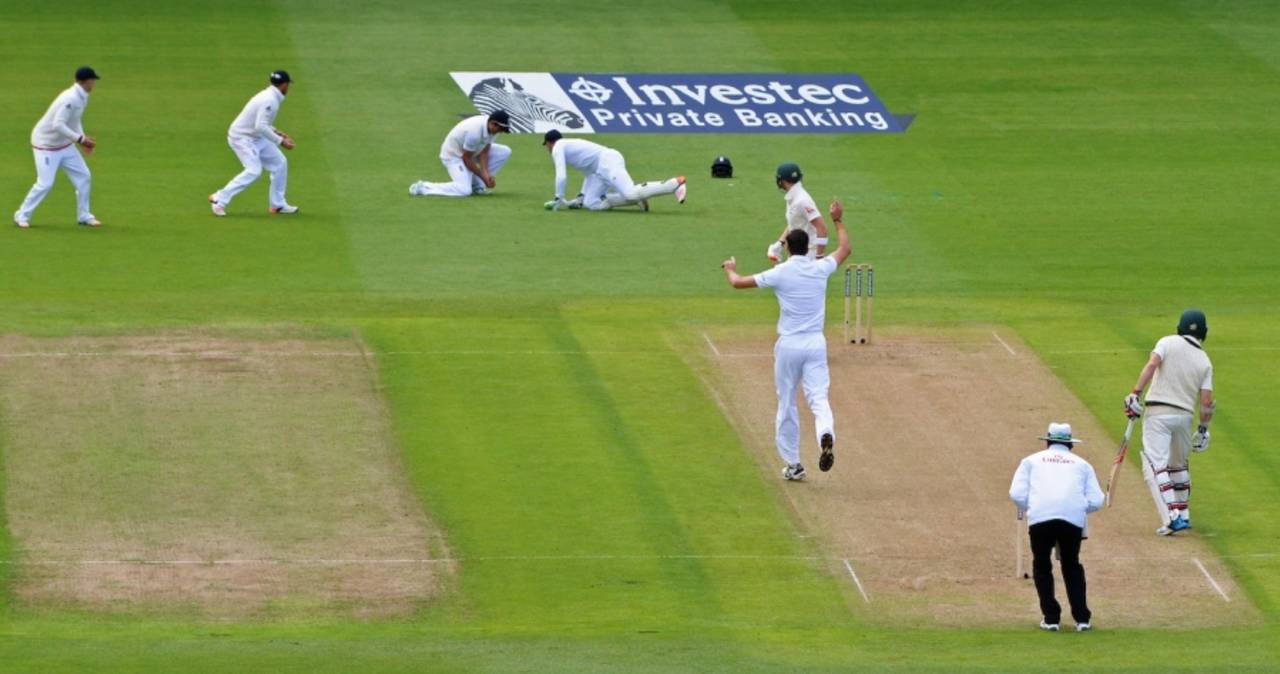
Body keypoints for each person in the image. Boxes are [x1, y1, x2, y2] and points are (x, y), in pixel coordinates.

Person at [721, 200, 851, 480]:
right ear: (807, 247)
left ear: (789, 248)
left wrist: (729, 268)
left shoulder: (780, 272)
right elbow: (845, 249)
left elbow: (737, 282)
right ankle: (825, 433)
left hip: (789, 345)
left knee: (787, 401)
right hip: (815, 344)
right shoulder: (820, 267)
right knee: (819, 398)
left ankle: (793, 465)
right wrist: (837, 220)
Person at [1124, 309, 1215, 536]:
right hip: (1184, 416)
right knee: (1178, 465)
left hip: (1158, 412)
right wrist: (1203, 429)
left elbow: (1152, 365)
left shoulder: (1167, 342)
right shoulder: (1205, 361)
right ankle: (1183, 513)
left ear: (1180, 327)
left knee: (1155, 465)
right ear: (1204, 332)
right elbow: (1206, 402)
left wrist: (1135, 393)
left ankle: (1172, 517)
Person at [1009, 422, 1104, 632]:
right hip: (1072, 520)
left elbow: (1016, 494)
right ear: (1071, 444)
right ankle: (1082, 619)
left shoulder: (1030, 461)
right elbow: (1097, 500)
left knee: (1042, 565)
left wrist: (1032, 507)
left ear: (1048, 441)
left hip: (1040, 517)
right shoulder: (1083, 464)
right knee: (1071, 565)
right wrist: (1078, 508)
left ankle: (1051, 618)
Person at [14, 66, 102, 229]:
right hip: (46, 145)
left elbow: (75, 120)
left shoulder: (82, 96)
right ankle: (21, 215)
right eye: (92, 80)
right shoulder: (70, 98)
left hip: (64, 144)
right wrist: (80, 139)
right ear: (85, 81)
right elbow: (58, 124)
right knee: (45, 183)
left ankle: (84, 216)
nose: (94, 84)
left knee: (84, 176)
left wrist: (82, 140)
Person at [209, 70, 298, 216]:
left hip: (256, 136)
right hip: (241, 138)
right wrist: (281, 141)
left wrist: (276, 132)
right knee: (254, 171)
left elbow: (261, 123)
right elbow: (260, 126)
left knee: (280, 163)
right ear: (284, 85)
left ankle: (278, 205)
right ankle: (219, 198)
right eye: (288, 84)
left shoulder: (269, 96)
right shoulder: (270, 100)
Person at [539, 130, 686, 211]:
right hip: (599, 171)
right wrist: (580, 197)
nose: (547, 148)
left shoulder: (558, 147)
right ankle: (638, 199)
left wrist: (558, 198)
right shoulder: (569, 148)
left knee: (630, 193)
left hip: (608, 161)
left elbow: (561, 175)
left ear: (550, 143)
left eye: (546, 145)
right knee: (591, 204)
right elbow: (589, 175)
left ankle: (674, 184)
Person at [409, 111, 512, 197]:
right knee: (464, 190)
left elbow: (485, 151)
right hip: (453, 156)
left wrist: (486, 175)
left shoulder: (492, 128)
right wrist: (483, 177)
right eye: (500, 129)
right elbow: (467, 159)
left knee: (505, 151)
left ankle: (477, 186)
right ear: (493, 123)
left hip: (471, 151)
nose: (501, 132)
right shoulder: (474, 132)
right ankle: (424, 187)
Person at [766, 162, 828, 262]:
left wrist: (819, 257)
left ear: (782, 181)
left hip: (808, 254)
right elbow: (795, 222)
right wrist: (780, 243)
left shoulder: (802, 201)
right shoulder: (793, 196)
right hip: (797, 252)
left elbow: (822, 228)